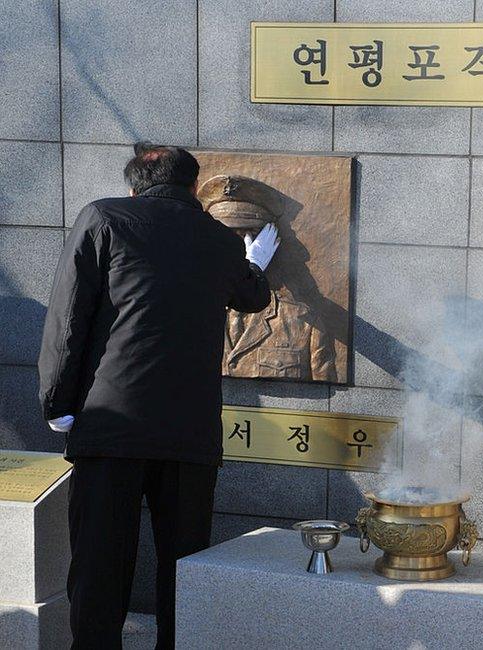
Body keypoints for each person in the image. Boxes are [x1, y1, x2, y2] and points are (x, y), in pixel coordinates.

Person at [37, 143, 280, 649]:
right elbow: (253, 297)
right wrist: (253, 262)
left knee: (100, 566)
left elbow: (68, 318)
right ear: (194, 187)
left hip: (110, 425)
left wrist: (57, 403)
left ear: (134, 187)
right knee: (184, 566)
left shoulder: (103, 217)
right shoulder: (218, 239)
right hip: (188, 435)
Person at [196, 174, 337, 382]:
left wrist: (251, 271)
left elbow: (326, 389)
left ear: (269, 241)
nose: (235, 246)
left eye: (246, 234)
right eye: (225, 234)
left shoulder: (305, 323)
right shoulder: (188, 312)